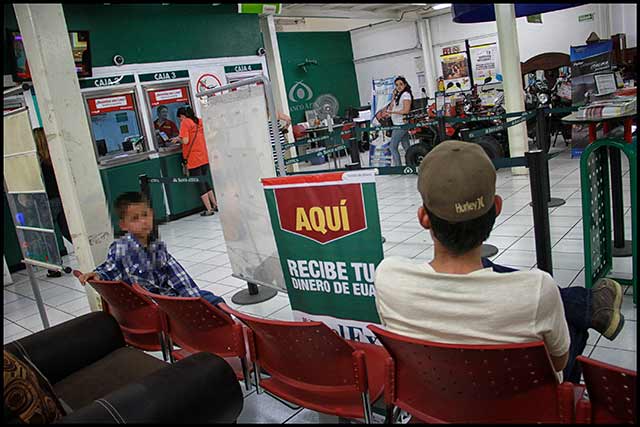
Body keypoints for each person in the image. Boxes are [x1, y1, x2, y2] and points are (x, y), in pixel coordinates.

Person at [374, 140, 625, 384]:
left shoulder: (388, 278)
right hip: (521, 407)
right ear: (496, 207)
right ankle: (590, 306)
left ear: (423, 217)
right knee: (572, 325)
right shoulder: (537, 289)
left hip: (436, 400)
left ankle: (590, 305)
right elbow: (558, 363)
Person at [77, 192, 224, 305]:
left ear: (152, 215)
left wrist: (194, 299)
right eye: (135, 218)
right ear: (123, 225)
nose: (143, 221)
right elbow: (111, 268)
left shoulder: (157, 247)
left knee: (213, 300)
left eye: (145, 215)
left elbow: (178, 276)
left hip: (167, 300)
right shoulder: (121, 247)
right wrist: (98, 275)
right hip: (157, 306)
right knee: (214, 303)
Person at [34, 129, 72, 278]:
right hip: (62, 199)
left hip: (46, 201)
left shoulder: (38, 162)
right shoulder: (55, 158)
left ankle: (54, 267)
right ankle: (86, 256)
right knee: (67, 230)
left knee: (48, 236)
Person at [172, 106, 218, 216]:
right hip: (204, 155)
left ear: (182, 116)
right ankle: (215, 205)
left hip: (193, 158)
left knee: (200, 183)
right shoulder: (199, 121)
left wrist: (178, 139)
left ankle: (209, 209)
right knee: (205, 181)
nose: (180, 120)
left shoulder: (185, 123)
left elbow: (186, 140)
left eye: (180, 118)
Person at [380, 76, 413, 166]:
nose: (399, 87)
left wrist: (393, 112)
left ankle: (398, 166)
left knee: (392, 147)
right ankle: (412, 163)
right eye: (397, 85)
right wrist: (393, 96)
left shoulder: (406, 95)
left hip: (401, 124)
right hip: (397, 123)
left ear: (405, 85)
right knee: (406, 146)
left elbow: (406, 111)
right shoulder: (399, 95)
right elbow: (391, 107)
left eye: (401, 84)